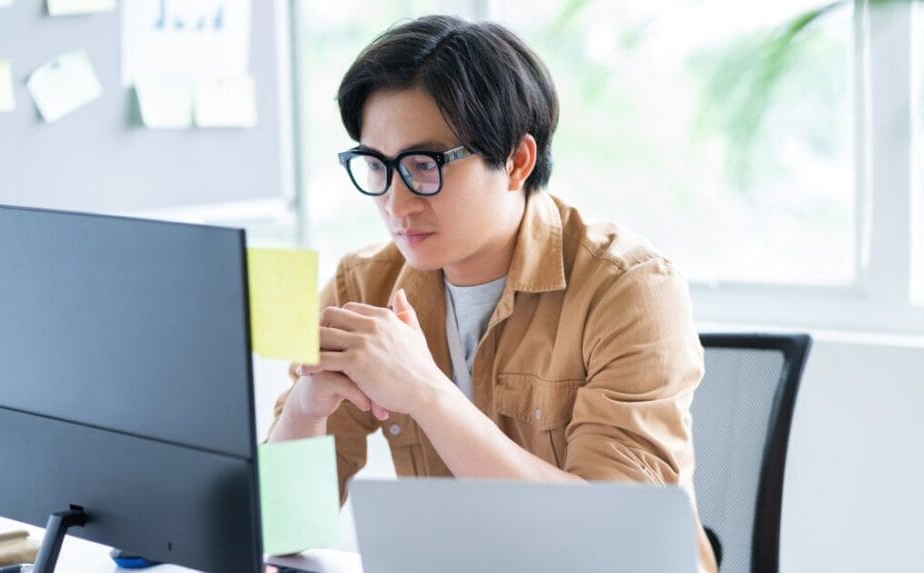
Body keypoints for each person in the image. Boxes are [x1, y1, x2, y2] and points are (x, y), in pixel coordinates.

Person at [267, 14, 716, 573]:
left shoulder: (630, 291)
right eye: (377, 166)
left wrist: (428, 393)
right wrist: (307, 411)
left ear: (516, 161)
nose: (396, 203)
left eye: (423, 166)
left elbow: (611, 547)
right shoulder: (363, 285)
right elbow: (277, 534)